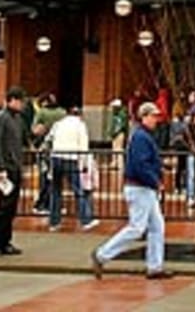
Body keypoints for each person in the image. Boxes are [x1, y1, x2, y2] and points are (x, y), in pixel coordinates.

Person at [92, 102, 175, 280]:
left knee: (156, 226)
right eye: (153, 116)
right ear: (143, 117)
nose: (156, 120)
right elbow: (140, 165)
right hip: (140, 188)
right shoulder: (141, 137)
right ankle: (102, 254)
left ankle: (155, 266)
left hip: (143, 187)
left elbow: (142, 163)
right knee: (138, 228)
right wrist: (156, 180)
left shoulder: (142, 136)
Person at [0, 86, 27, 257]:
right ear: (12, 100)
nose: (22, 105)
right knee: (4, 206)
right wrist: (0, 167)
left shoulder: (16, 119)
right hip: (6, 168)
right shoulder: (2, 118)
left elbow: (21, 140)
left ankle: (4, 241)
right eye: (20, 101)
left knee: (10, 208)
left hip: (15, 167)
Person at [47, 104, 99, 231]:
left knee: (55, 190)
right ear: (80, 115)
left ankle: (54, 222)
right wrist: (85, 164)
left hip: (56, 157)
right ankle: (85, 220)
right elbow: (83, 146)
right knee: (78, 190)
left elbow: (49, 138)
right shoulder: (80, 125)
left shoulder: (58, 123)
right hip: (71, 158)